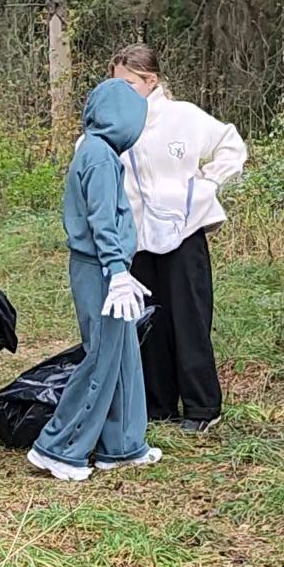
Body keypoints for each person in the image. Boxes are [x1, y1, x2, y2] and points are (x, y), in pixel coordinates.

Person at [26, 78, 161, 482]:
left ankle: (121, 446)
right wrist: (117, 271)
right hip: (101, 269)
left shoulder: (96, 149)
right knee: (102, 357)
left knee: (123, 355)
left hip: (105, 267)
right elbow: (103, 219)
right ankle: (59, 448)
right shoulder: (100, 157)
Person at [109, 44, 247, 432]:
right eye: (115, 83)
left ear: (150, 81)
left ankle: (203, 407)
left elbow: (231, 144)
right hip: (136, 237)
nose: (120, 91)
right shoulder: (116, 124)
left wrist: (208, 183)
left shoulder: (183, 116)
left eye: (128, 83)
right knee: (149, 320)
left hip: (184, 233)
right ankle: (159, 404)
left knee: (189, 319)